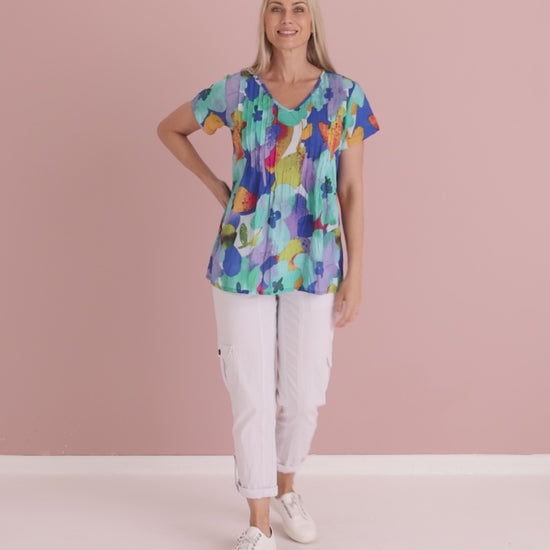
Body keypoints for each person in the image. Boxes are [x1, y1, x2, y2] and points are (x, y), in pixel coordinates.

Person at [157, 0, 379, 548]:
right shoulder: (237, 91)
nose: (287, 17)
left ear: (311, 19)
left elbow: (351, 190)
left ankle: (285, 490)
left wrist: (355, 273)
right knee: (251, 395)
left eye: (298, 7)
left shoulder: (344, 96)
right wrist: (217, 187)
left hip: (315, 260)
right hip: (243, 260)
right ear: (264, 18)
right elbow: (170, 129)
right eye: (276, 7)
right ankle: (258, 520)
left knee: (305, 397)